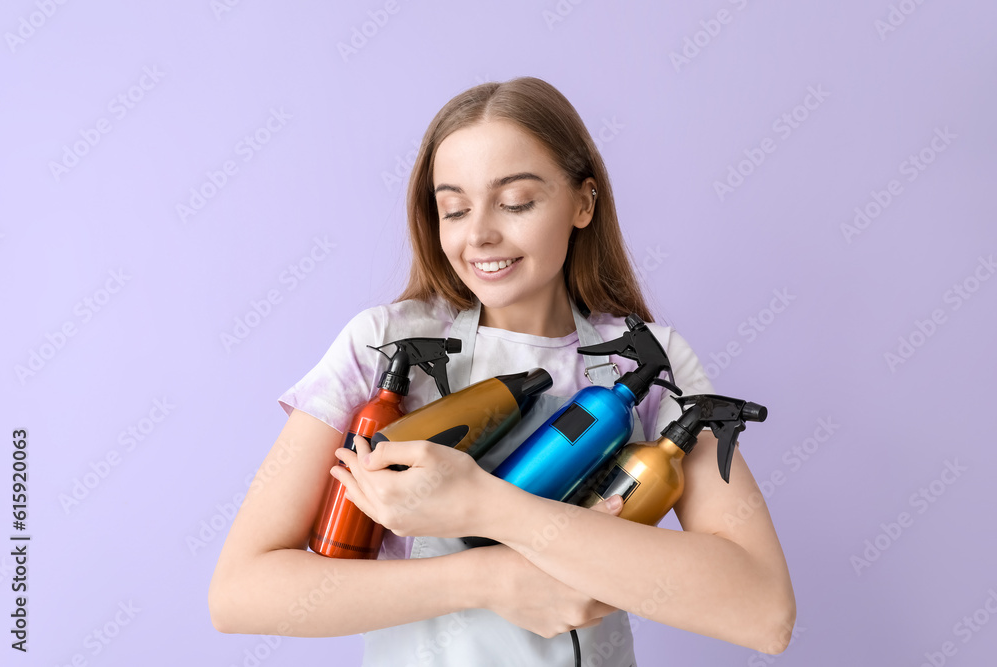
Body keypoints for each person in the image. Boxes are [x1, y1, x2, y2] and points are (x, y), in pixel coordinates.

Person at [209, 76, 796, 666]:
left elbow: (763, 613)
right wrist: (491, 577)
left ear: (583, 203)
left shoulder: (648, 361)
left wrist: (487, 506)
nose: (480, 234)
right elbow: (240, 594)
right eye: (455, 209)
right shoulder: (385, 343)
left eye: (516, 202)